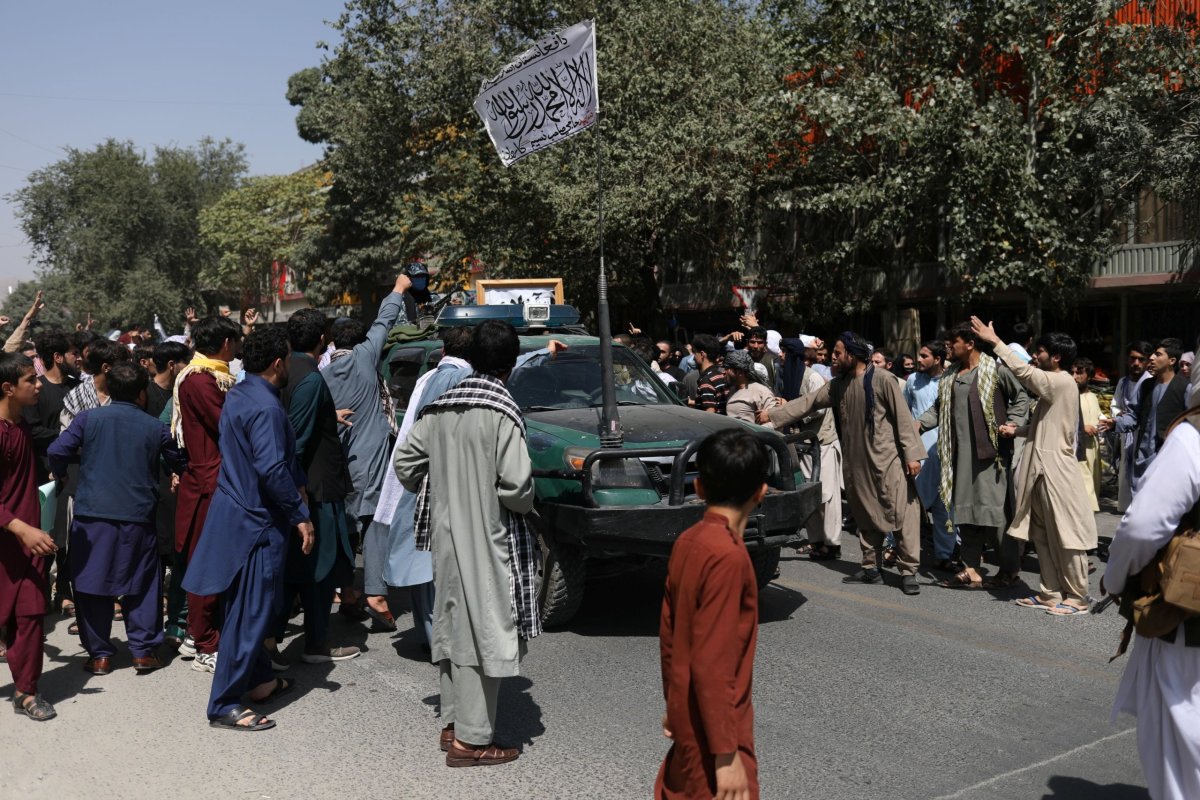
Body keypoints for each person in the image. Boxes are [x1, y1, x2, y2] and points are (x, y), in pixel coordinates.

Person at [394, 319, 537, 767]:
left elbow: (405, 463)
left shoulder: (440, 407)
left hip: (445, 533)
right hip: (488, 535)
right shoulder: (501, 411)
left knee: (454, 623)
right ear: (510, 365)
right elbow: (517, 486)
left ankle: (454, 722)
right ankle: (472, 742)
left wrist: (440, 490)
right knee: (484, 629)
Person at [183, 327, 314, 732]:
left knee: (242, 607)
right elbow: (272, 468)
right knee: (250, 612)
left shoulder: (239, 393)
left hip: (235, 514)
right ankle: (223, 703)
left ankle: (258, 681)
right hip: (257, 522)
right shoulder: (267, 408)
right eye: (289, 358)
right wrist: (300, 515)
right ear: (278, 363)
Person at [759, 332, 926, 595]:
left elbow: (903, 418)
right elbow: (809, 402)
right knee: (865, 514)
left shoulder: (883, 380)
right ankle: (872, 568)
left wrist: (912, 455)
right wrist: (774, 414)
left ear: (852, 353)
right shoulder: (838, 384)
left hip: (888, 462)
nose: (833, 358)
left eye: (838, 353)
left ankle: (908, 571)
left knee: (902, 515)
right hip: (856, 463)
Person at [48, 361, 184, 676]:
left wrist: (61, 477)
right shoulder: (155, 427)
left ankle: (100, 656)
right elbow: (179, 459)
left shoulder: (87, 419)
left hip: (92, 514)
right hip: (138, 516)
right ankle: (143, 651)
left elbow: (57, 450)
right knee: (143, 583)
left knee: (91, 583)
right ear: (141, 394)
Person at [656, 429, 767, 800]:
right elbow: (712, 662)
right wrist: (726, 755)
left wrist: (673, 703)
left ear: (699, 487)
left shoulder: (689, 542)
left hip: (690, 712)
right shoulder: (728, 557)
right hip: (717, 727)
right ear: (761, 492)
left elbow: (671, 638)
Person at [1104, 397, 1200, 800]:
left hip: (1186, 621)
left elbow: (1143, 525)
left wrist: (1114, 580)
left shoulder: (1193, 437)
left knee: (1180, 749)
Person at [970, 318, 1097, 615]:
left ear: (1056, 357)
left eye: (1040, 351)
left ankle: (1077, 598)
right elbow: (1047, 424)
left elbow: (1025, 374)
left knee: (1066, 533)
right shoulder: (1053, 387)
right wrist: (1018, 431)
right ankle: (1050, 593)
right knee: (1040, 532)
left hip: (1055, 470)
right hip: (1039, 468)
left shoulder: (1061, 381)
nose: (1034, 356)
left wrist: (995, 341)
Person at [374, 326, 474, 652]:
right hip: (444, 484)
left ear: (444, 349)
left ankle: (433, 637)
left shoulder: (427, 378)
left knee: (424, 562)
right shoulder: (464, 379)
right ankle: (443, 643)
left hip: (417, 481)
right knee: (441, 567)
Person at [324, 271, 412, 628]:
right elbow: (385, 320)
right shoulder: (364, 357)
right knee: (375, 521)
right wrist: (398, 289)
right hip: (369, 456)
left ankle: (348, 591)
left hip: (335, 461)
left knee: (345, 524)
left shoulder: (321, 373)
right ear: (361, 340)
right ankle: (375, 591)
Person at [276, 308, 360, 665]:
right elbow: (295, 438)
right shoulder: (309, 378)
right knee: (320, 568)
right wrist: (295, 487)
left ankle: (274, 642)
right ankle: (315, 644)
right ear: (322, 338)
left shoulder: (286, 369)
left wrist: (329, 414)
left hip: (305, 485)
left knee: (299, 567)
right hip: (314, 487)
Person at [917, 323, 1029, 589]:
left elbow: (1021, 398)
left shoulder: (996, 371)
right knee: (965, 514)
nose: (948, 347)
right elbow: (937, 409)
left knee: (995, 515)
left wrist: (1013, 424)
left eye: (952, 342)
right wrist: (917, 424)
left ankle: (1009, 570)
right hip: (959, 458)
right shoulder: (950, 375)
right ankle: (972, 570)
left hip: (991, 457)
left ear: (969, 343)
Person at [171, 315, 242, 671]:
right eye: (237, 341)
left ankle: (199, 634)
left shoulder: (212, 376)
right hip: (208, 485)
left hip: (212, 481)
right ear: (226, 343)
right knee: (207, 566)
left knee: (211, 563)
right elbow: (228, 424)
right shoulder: (200, 380)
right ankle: (204, 645)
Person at [0, 351, 58, 720]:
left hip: (27, 540)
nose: (39, 386)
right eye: (30, 381)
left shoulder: (22, 426)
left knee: (31, 614)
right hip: (11, 536)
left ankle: (26, 692)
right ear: (8, 388)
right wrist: (19, 526)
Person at [776, 336, 843, 561]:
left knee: (827, 495)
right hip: (801, 443)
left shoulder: (813, 377)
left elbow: (820, 409)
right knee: (809, 494)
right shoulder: (786, 376)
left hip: (822, 443)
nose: (780, 356)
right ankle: (816, 541)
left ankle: (833, 543)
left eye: (784, 352)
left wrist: (791, 409)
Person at [1106, 338, 1190, 500]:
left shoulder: (1184, 388)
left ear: (1171, 361)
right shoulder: (1146, 386)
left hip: (1168, 460)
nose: (1151, 358)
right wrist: (1115, 423)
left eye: (1158, 354)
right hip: (1143, 459)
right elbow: (1133, 416)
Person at [903, 340, 959, 572]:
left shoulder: (951, 381)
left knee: (945, 506)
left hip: (945, 453)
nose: (919, 360)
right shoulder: (912, 381)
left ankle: (943, 555)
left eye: (924, 356)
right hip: (920, 454)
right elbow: (905, 415)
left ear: (938, 359)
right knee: (912, 503)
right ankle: (895, 547)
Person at [1110, 341, 1153, 512]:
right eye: (1132, 359)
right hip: (1125, 434)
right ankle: (1126, 509)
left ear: (1148, 361)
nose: (1135, 363)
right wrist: (1120, 415)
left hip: (1142, 436)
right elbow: (1115, 405)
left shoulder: (1151, 383)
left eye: (1140, 359)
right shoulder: (1123, 382)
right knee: (1125, 471)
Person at [1073, 358, 1102, 513]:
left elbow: (1097, 417)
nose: (1075, 377)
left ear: (1089, 376)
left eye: (1079, 373)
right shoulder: (1070, 395)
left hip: (1092, 447)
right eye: (1073, 372)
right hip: (1078, 449)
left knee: (1093, 484)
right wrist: (1082, 427)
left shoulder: (1092, 397)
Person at [723, 350, 775, 424]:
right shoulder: (732, 390)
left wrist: (755, 434)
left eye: (726, 368)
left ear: (739, 371)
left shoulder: (760, 391)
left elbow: (774, 420)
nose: (723, 372)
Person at [691, 334, 727, 414]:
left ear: (702, 354)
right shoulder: (719, 375)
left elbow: (709, 413)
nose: (693, 357)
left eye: (695, 353)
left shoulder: (706, 381)